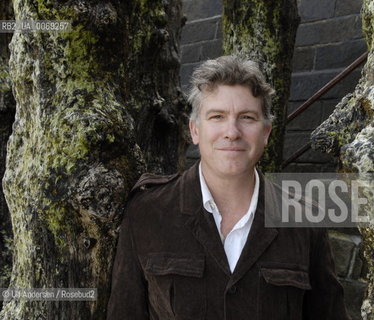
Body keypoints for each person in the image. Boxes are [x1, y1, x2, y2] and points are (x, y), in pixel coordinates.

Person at [107, 55, 350, 319]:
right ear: (195, 130)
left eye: (246, 117)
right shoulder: (148, 211)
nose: (232, 131)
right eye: (217, 116)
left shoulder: (303, 219)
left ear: (266, 132)